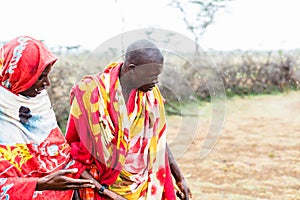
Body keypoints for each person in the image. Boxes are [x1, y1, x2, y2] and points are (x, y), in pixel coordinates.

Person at [0, 36, 125, 200]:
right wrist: (39, 184)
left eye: (47, 75)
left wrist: (105, 192)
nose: (47, 83)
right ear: (19, 75)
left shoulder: (38, 105)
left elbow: (63, 159)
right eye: (40, 77)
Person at [65, 39, 192, 199]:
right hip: (102, 188)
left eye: (158, 75)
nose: (156, 82)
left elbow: (157, 141)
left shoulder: (150, 96)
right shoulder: (91, 95)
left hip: (144, 188)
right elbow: (72, 152)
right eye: (151, 76)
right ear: (132, 69)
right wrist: (107, 192)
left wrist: (179, 177)